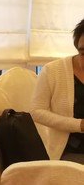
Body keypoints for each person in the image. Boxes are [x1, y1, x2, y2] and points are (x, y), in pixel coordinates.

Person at [31, 17, 84, 163]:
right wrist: (79, 125)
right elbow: (37, 112)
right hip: (69, 150)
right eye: (83, 53)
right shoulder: (53, 71)